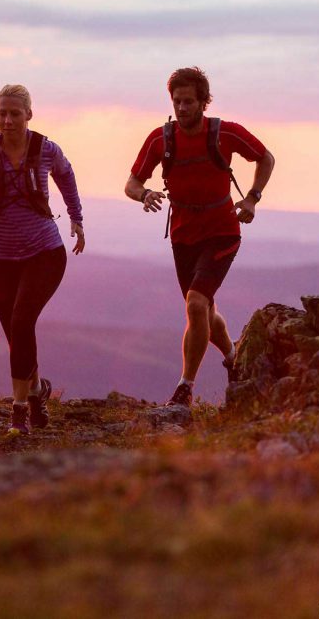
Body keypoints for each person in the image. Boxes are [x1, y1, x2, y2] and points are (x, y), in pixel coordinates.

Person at [124, 67, 275, 407]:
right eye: (177, 101)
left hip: (222, 232)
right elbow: (131, 183)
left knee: (195, 303)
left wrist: (252, 198)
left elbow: (265, 157)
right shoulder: (160, 139)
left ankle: (184, 388)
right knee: (203, 312)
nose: (182, 108)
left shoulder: (225, 132)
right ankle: (235, 358)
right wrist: (144, 194)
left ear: (204, 101)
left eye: (189, 102)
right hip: (183, 236)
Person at [0, 84, 86, 435]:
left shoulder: (45, 149)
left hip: (45, 253)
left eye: (15, 113)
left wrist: (76, 217)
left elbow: (66, 175)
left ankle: (18, 413)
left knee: (21, 320)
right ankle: (39, 392)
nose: (8, 120)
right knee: (17, 333)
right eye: (2, 113)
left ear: (29, 114)